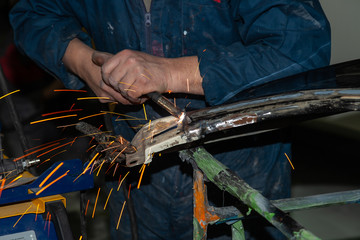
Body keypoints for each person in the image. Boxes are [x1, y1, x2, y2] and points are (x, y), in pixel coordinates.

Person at [9, 0, 331, 239]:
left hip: (238, 176)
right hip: (135, 184)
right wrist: (83, 64)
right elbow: (31, 14)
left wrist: (172, 72)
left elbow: (302, 46)